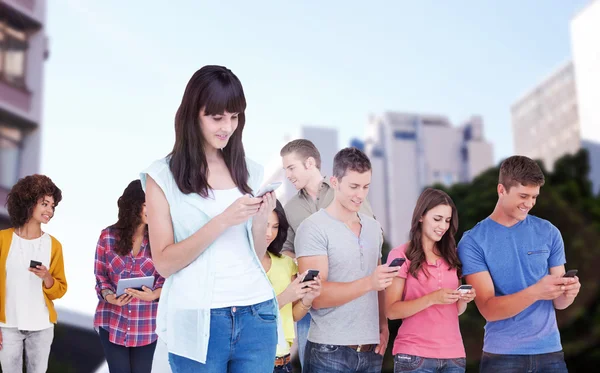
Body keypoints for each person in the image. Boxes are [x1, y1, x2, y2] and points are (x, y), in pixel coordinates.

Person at [141, 65, 283, 372]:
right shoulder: (162, 177)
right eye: (217, 117)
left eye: (234, 117)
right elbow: (164, 263)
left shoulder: (251, 170)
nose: (227, 127)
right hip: (199, 320)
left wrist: (260, 220)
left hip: (257, 315)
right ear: (194, 114)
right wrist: (222, 220)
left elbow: (256, 254)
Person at [458, 155, 581, 372]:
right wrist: (536, 291)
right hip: (502, 357)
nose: (529, 204)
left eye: (534, 197)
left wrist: (567, 294)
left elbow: (558, 302)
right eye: (523, 195)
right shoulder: (473, 241)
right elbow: (488, 309)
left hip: (550, 354)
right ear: (501, 190)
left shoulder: (549, 232)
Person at [295, 147, 397, 373]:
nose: (360, 195)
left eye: (366, 187)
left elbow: (379, 283)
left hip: (371, 352)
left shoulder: (373, 228)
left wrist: (382, 325)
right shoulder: (313, 228)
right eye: (353, 186)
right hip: (328, 351)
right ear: (334, 182)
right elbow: (317, 296)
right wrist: (369, 282)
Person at [279, 139, 375, 367]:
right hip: (309, 301)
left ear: (309, 163)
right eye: (285, 170)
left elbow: (369, 235)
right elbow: (285, 251)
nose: (288, 175)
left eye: (291, 168)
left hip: (347, 299)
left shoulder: (346, 190)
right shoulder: (290, 208)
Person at [385, 188, 475, 373]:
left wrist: (463, 300)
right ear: (421, 216)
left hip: (454, 357)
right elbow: (391, 310)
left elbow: (455, 311)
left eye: (447, 220)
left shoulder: (452, 257)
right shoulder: (401, 255)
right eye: (437, 219)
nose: (443, 226)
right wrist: (432, 298)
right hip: (414, 356)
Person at [94, 180, 165, 373]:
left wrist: (154, 294)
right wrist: (110, 297)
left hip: (146, 324)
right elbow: (100, 276)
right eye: (146, 204)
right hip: (112, 321)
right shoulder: (107, 237)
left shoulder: (161, 240)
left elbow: (167, 277)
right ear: (134, 206)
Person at [0, 174, 67, 373]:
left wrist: (47, 277)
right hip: (7, 326)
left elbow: (59, 290)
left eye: (53, 206)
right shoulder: (2, 240)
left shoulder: (53, 245)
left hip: (42, 327)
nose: (50, 211)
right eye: (45, 204)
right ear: (29, 202)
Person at [260, 199, 321, 372]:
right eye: (265, 225)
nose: (269, 233)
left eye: (275, 226)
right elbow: (246, 314)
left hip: (283, 363)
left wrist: (307, 299)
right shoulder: (243, 265)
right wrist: (285, 296)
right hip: (255, 363)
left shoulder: (286, 264)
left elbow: (292, 315)